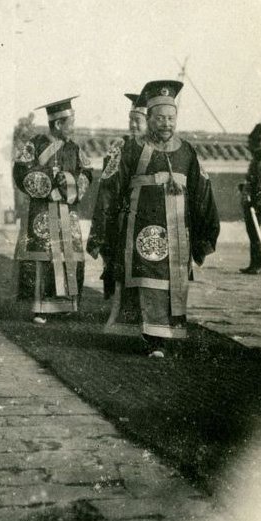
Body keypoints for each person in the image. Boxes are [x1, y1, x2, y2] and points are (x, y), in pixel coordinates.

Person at [87, 79, 220, 359]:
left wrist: (206, 233)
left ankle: (165, 334)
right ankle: (153, 338)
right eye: (160, 118)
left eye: (171, 118)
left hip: (177, 234)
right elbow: (109, 189)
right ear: (149, 119)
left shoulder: (187, 152)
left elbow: (202, 192)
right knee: (148, 281)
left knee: (171, 283)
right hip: (141, 230)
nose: (166, 124)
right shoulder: (131, 149)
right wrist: (102, 231)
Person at [13, 96, 93, 325]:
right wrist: (50, 185)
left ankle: (66, 303)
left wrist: (68, 183)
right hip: (42, 208)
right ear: (58, 124)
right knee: (44, 255)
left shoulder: (74, 148)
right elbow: (21, 170)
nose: (73, 127)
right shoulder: (36, 143)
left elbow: (86, 172)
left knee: (70, 254)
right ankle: (40, 306)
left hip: (67, 208)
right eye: (71, 122)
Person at [97, 92, 148, 299]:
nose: (132, 125)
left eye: (137, 121)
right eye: (130, 120)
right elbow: (108, 182)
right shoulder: (121, 146)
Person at [240, 123, 261, 274]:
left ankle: (259, 264)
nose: (248, 145)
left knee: (255, 233)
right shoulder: (256, 159)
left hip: (258, 200)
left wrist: (255, 200)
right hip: (251, 198)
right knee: (252, 232)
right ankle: (254, 263)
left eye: (250, 143)